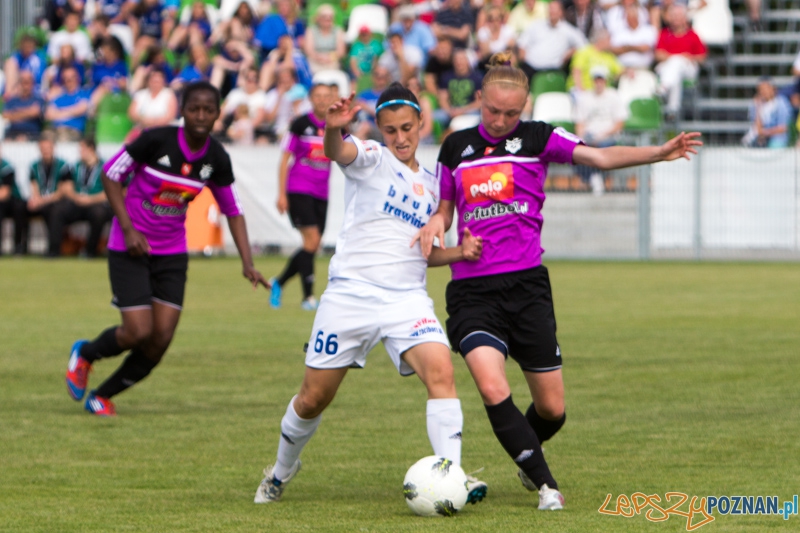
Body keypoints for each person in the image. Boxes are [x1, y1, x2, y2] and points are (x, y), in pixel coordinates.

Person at [413, 52, 701, 511]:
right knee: (491, 386)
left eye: (512, 113)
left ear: (524, 108)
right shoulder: (456, 146)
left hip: (527, 289)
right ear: (480, 100)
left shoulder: (540, 137)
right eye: (492, 111)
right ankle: (547, 485)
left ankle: (527, 453)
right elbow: (444, 208)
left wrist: (659, 153)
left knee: (552, 410)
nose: (502, 120)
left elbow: (600, 157)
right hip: (473, 290)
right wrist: (434, 223)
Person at [254, 84, 487, 505]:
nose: (400, 138)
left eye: (407, 128)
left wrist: (459, 253)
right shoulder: (372, 160)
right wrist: (333, 128)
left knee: (442, 374)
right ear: (379, 130)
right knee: (312, 399)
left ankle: (451, 474)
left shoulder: (434, 188)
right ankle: (281, 471)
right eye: (390, 129)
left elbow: (426, 254)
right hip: (351, 296)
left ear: (421, 125)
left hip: (406, 300)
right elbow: (338, 151)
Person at [65, 81, 269, 416]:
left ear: (218, 113)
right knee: (137, 331)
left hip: (172, 252)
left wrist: (247, 262)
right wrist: (128, 229)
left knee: (160, 338)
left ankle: (102, 396)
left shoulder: (217, 158)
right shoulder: (155, 139)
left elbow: (233, 209)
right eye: (194, 109)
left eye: (209, 109)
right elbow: (110, 174)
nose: (201, 115)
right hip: (130, 246)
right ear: (182, 111)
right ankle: (86, 353)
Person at [269, 83, 335, 310]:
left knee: (312, 244)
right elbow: (284, 159)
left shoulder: (336, 127)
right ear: (311, 99)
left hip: (322, 193)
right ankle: (308, 298)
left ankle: (278, 281)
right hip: (298, 189)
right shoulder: (299, 124)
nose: (323, 100)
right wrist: (281, 194)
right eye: (318, 96)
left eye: (327, 96)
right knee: (312, 240)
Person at [574, 65, 629, 194]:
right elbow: (580, 122)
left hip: (609, 135)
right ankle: (595, 178)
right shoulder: (585, 98)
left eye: (601, 79)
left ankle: (593, 178)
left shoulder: (614, 96)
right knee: (578, 148)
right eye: (596, 79)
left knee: (600, 146)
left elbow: (619, 123)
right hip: (590, 135)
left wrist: (603, 134)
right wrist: (581, 137)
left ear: (605, 81)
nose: (598, 83)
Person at [57, 138, 115, 257]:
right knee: (58, 210)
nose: (80, 152)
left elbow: (112, 191)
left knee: (99, 213)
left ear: (91, 149)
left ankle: (91, 251)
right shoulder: (74, 166)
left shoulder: (106, 167)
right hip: (77, 202)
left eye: (82, 149)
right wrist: (76, 197)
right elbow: (66, 187)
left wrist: (90, 199)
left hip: (97, 202)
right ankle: (54, 250)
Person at [23, 131, 75, 257]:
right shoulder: (34, 166)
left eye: (48, 148)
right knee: (21, 208)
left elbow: (62, 192)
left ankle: (54, 249)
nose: (45, 151)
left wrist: (42, 201)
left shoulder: (64, 166)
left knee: (54, 211)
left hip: (56, 202)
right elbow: (34, 188)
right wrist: (35, 200)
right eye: (43, 148)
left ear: (53, 148)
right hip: (42, 200)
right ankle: (21, 247)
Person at [654, 4, 706, 120]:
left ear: (684, 18)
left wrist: (688, 57)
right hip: (669, 68)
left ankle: (664, 87)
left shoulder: (692, 35)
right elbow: (658, 55)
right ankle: (673, 109)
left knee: (677, 63)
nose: (676, 19)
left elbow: (702, 57)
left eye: (678, 16)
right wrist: (676, 57)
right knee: (676, 71)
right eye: (673, 16)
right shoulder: (664, 34)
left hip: (688, 67)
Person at [517, 0, 586, 83]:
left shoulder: (568, 30)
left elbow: (584, 44)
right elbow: (522, 41)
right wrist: (522, 50)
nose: (552, 12)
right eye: (550, 10)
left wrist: (571, 51)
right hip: (531, 66)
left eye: (555, 10)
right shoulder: (537, 25)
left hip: (553, 70)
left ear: (561, 12)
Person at [742, 77, 792, 149]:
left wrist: (765, 133)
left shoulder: (781, 103)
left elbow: (784, 128)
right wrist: (758, 108)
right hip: (762, 137)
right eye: (760, 90)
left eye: (766, 88)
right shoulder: (756, 104)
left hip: (776, 138)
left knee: (777, 142)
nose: (763, 92)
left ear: (773, 89)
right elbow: (757, 127)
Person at [45, 66, 92, 142]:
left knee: (63, 138)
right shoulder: (59, 95)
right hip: (54, 129)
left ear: (77, 78)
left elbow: (81, 109)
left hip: (73, 130)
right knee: (44, 138)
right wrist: (72, 111)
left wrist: (58, 112)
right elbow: (48, 115)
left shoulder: (84, 93)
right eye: (66, 78)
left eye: (71, 77)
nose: (69, 80)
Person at [302, 4, 346, 74]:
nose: (327, 19)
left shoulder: (338, 31)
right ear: (318, 18)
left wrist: (329, 58)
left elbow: (341, 51)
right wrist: (319, 57)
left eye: (330, 17)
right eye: (324, 17)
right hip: (314, 60)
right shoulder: (311, 30)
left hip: (332, 61)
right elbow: (309, 50)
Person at [2, 70, 46, 141]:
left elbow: (36, 112)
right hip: (12, 134)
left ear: (32, 83)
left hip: (32, 135)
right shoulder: (12, 100)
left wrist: (15, 113)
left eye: (28, 82)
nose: (25, 85)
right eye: (23, 82)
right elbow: (6, 115)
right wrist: (29, 112)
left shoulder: (38, 99)